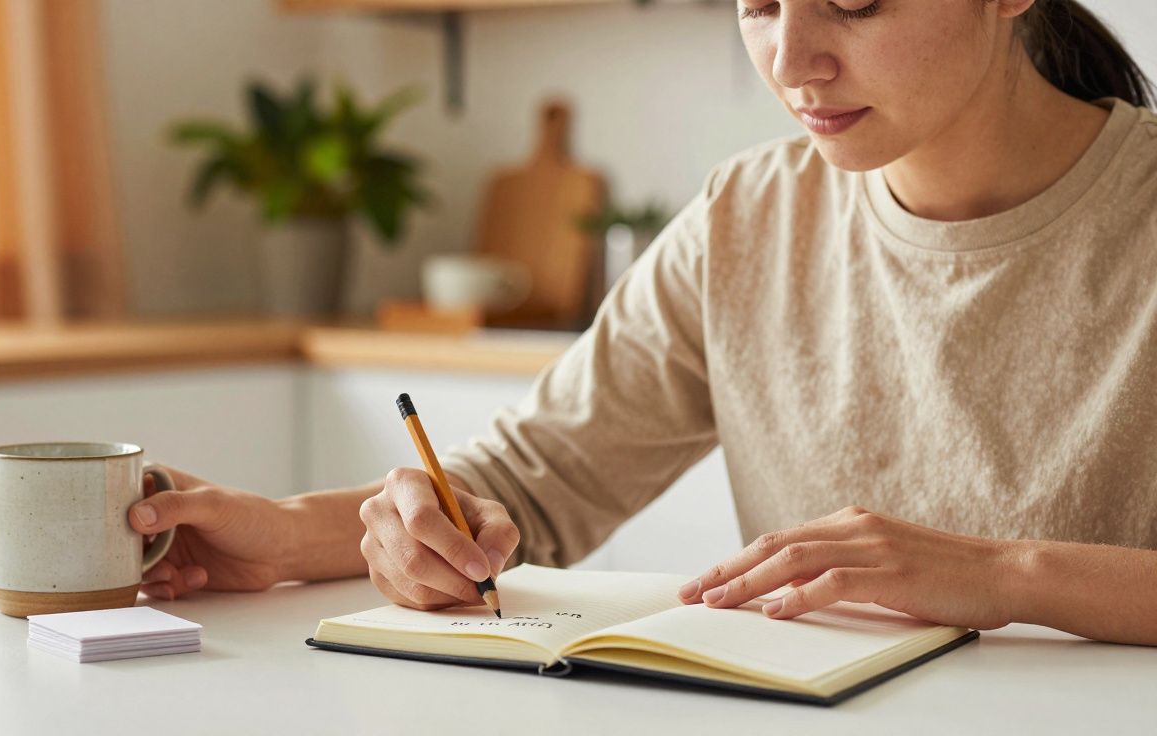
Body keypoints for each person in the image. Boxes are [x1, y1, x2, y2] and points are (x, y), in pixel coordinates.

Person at [129, 0, 1157, 645]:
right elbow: (536, 478)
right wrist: (286, 539)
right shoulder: (748, 216)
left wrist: (1005, 574)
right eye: (756, 2)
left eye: (854, 1)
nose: (793, 57)